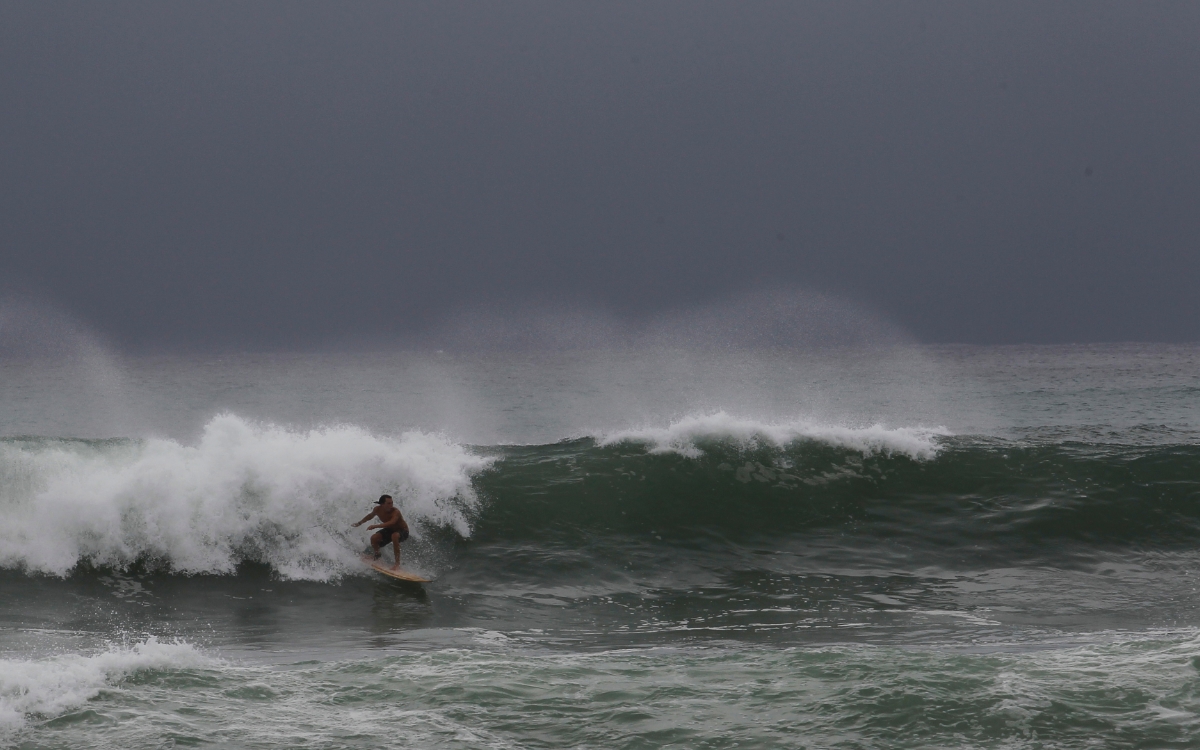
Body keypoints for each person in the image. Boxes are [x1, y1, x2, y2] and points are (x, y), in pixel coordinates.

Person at [352, 494, 410, 570]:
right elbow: (370, 516)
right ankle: (377, 555)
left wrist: (376, 526)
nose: (391, 505)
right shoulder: (377, 510)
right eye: (388, 503)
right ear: (382, 504)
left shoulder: (395, 512)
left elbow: (392, 522)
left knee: (395, 536)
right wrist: (359, 523)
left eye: (392, 503)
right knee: (374, 538)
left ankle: (397, 564)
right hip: (390, 530)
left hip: (403, 531)